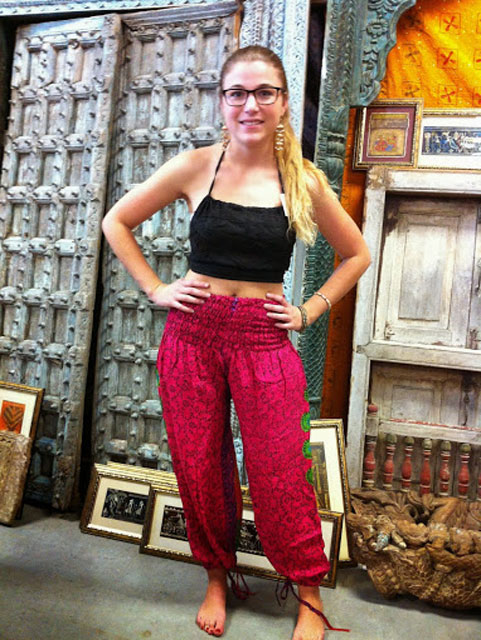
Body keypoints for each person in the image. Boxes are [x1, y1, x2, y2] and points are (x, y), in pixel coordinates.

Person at [102, 45, 370, 640]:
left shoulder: (302, 180)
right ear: (222, 101)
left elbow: (356, 253)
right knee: (201, 466)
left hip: (262, 336)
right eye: (238, 93)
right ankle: (217, 577)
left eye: (264, 92)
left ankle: (308, 592)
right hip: (193, 334)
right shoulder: (196, 166)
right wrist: (156, 288)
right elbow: (116, 221)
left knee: (281, 470)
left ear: (282, 102)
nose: (251, 105)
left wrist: (309, 310)